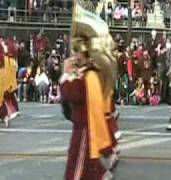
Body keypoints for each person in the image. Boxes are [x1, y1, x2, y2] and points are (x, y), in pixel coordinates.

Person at [60, 4, 117, 180]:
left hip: (85, 129)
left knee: (76, 171)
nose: (75, 56)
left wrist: (65, 73)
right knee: (87, 169)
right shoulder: (88, 73)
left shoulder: (89, 75)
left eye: (78, 52)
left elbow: (70, 94)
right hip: (83, 127)